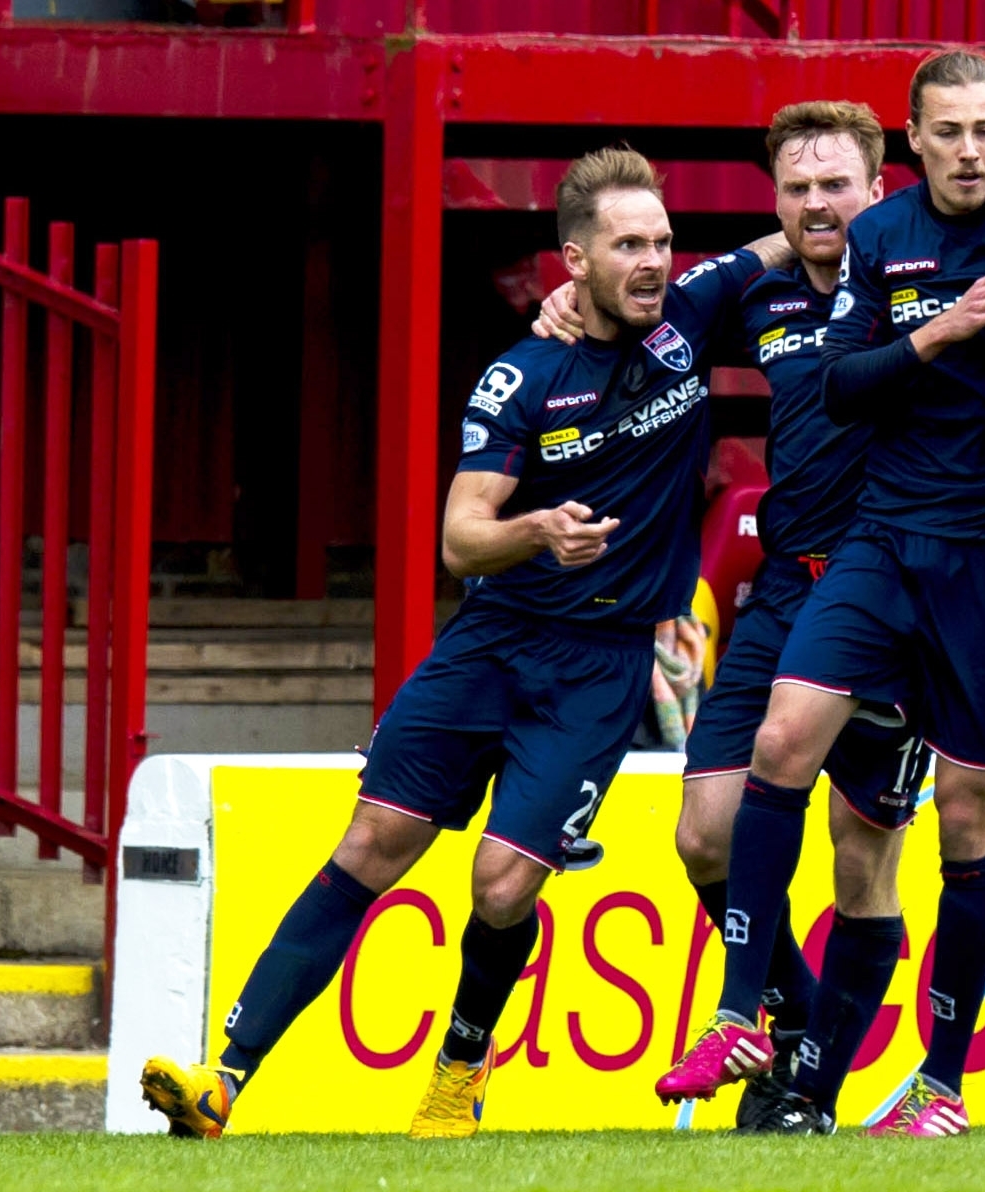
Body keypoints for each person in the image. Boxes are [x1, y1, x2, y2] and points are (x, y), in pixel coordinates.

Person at [138, 147, 792, 1140]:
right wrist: (539, 529)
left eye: (662, 241)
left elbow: (804, 232)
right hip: (492, 640)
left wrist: (875, 200)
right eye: (628, 245)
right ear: (575, 259)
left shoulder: (689, 322)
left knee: (500, 879)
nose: (654, 261)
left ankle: (457, 1072)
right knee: (371, 842)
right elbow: (458, 537)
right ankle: (222, 1079)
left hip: (600, 665)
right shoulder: (522, 375)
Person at [653, 49, 985, 1138]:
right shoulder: (865, 249)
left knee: (954, 823)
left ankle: (930, 1086)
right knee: (765, 763)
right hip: (857, 558)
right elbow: (838, 379)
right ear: (914, 142)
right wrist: (946, 325)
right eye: (952, 131)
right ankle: (746, 1014)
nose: (972, 150)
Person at [536, 101, 932, 1135]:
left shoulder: (917, 277)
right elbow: (641, 304)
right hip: (785, 590)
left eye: (835, 184)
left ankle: (809, 1088)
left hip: (893, 591)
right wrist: (565, 305)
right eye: (796, 187)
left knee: (860, 850)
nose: (815, 204)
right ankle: (787, 1029)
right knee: (704, 835)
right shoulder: (745, 290)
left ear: (877, 188)